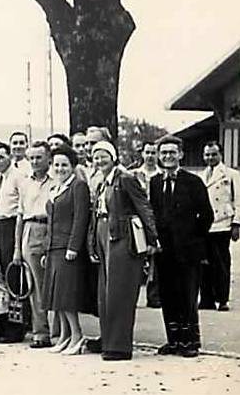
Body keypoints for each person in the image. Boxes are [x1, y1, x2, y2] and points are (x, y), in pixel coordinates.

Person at [89, 141, 158, 361]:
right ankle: (108, 341)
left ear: (113, 157)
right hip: (104, 234)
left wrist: (152, 237)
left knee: (120, 293)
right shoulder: (102, 183)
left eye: (104, 156)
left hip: (122, 237)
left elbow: (143, 207)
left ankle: (119, 346)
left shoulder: (125, 178)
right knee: (105, 293)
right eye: (96, 157)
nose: (100, 161)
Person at [149, 135, 214, 358]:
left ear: (180, 155)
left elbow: (207, 215)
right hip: (164, 251)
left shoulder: (193, 182)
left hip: (188, 251)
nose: (167, 156)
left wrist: (192, 238)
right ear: (159, 156)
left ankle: (190, 342)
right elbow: (154, 214)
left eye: (172, 152)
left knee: (187, 296)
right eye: (163, 152)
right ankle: (173, 340)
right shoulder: (155, 182)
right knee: (168, 296)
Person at [43, 145, 91, 356]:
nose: (60, 169)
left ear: (72, 166)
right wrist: (47, 249)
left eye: (64, 165)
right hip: (54, 247)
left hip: (67, 249)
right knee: (56, 295)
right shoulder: (55, 188)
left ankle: (77, 335)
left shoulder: (78, 186)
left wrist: (73, 247)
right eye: (56, 165)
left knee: (67, 295)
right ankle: (64, 336)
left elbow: (81, 218)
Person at [13, 140, 54, 348]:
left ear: (48, 158)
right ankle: (41, 332)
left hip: (51, 227)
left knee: (54, 281)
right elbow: (20, 215)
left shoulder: (56, 180)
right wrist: (17, 248)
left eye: (39, 157)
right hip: (30, 228)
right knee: (34, 284)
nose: (36, 161)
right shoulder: (25, 182)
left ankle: (61, 331)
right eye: (32, 158)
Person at [199, 141, 240, 312]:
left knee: (221, 263)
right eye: (207, 155)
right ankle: (206, 299)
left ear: (220, 155)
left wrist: (237, 223)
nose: (210, 158)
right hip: (205, 225)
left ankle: (222, 299)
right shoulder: (202, 175)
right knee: (204, 264)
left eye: (213, 154)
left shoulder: (230, 174)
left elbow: (239, 199)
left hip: (223, 224)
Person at [131, 140, 163, 308]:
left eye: (153, 153)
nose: (150, 156)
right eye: (147, 152)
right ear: (142, 154)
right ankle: (133, 296)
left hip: (156, 220)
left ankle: (154, 296)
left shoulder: (162, 174)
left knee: (156, 261)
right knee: (137, 258)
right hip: (137, 221)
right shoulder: (134, 174)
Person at [0, 143, 27, 272]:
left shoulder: (18, 176)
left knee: (10, 265)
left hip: (10, 224)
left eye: (1, 158)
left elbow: (23, 205)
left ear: (10, 157)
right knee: (0, 264)